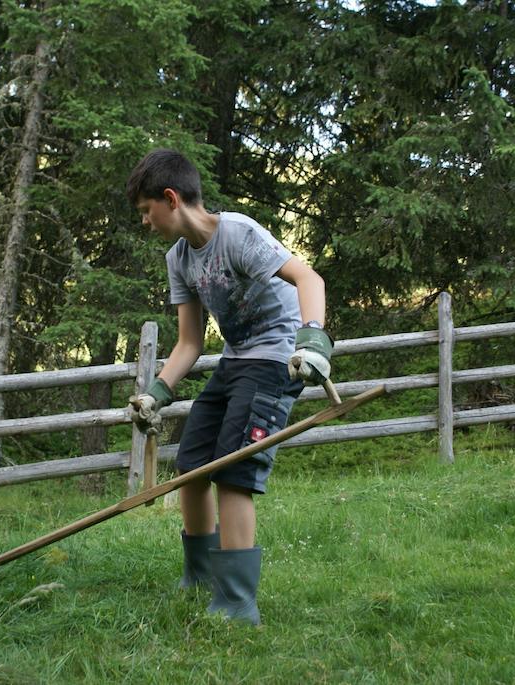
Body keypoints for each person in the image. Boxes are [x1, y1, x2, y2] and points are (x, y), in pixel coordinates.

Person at [125, 149, 334, 625]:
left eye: (146, 211)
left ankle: (237, 603)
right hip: (237, 359)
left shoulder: (238, 234)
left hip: (279, 357)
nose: (146, 222)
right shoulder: (178, 259)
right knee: (193, 465)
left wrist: (314, 341)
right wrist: (155, 393)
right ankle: (199, 576)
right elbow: (189, 343)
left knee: (234, 469)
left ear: (171, 199)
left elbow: (307, 277)